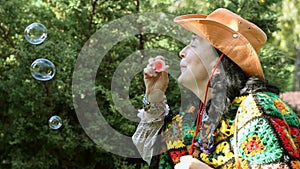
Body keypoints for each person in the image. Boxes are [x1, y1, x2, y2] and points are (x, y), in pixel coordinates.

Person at [132, 8, 300, 169]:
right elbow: (152, 153)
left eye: (193, 43)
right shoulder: (193, 118)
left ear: (218, 60)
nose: (182, 52)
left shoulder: (257, 108)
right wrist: (154, 95)